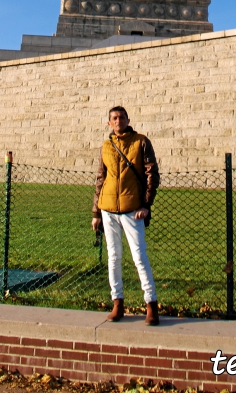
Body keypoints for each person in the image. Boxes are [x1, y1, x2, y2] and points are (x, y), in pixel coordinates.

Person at [92, 105, 160, 324]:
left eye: (121, 117)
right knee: (114, 257)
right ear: (109, 123)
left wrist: (146, 205)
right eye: (114, 118)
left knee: (139, 256)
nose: (118, 120)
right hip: (108, 208)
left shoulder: (141, 142)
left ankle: (151, 305)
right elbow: (100, 179)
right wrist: (96, 213)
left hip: (132, 209)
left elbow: (152, 175)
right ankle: (117, 303)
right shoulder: (106, 146)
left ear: (128, 119)